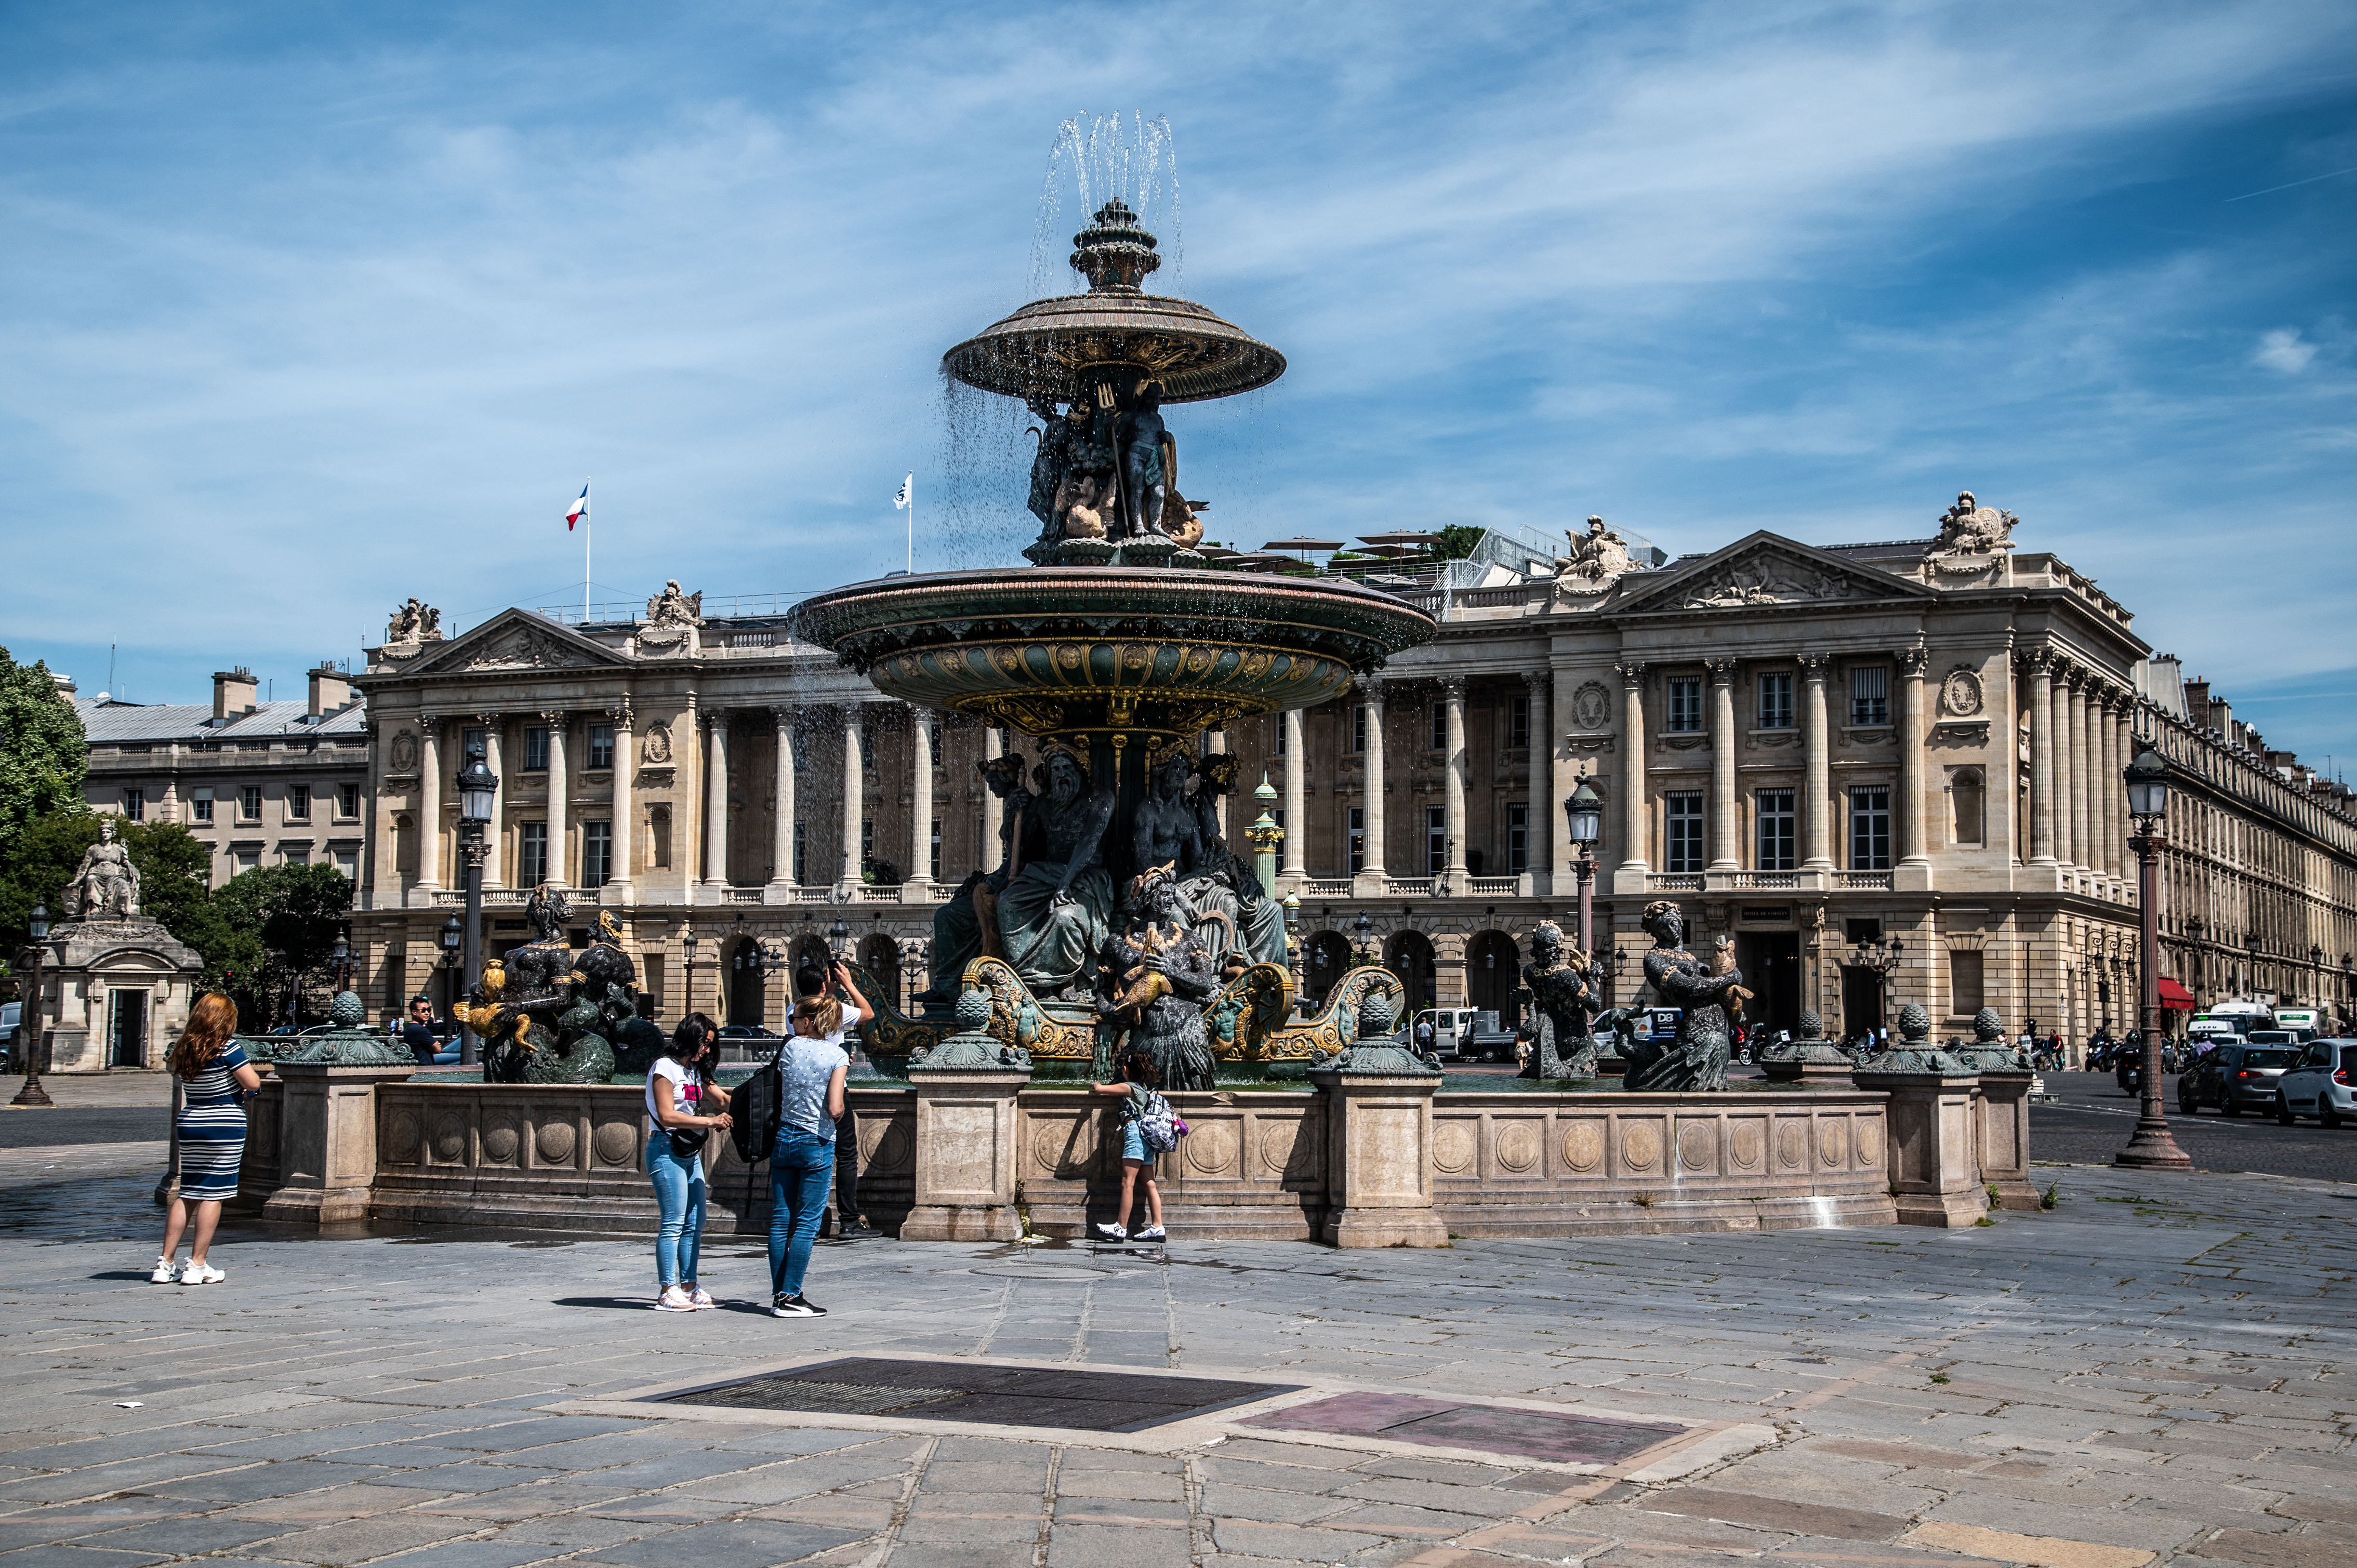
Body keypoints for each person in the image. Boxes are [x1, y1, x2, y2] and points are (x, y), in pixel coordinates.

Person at [769, 962, 871, 1317]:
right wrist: (835, 1116)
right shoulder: (837, 1055)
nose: (793, 1021)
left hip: (784, 1137)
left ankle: (779, 1294)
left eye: (797, 1018)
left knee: (781, 1219)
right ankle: (791, 1297)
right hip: (816, 1140)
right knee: (808, 1222)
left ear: (808, 1021)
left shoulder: (790, 1048)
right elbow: (836, 1106)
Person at [154, 994, 260, 1285]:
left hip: (191, 1121)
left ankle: (165, 1264)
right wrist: (250, 1090)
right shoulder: (228, 1047)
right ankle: (197, 1265)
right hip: (223, 1122)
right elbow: (252, 1082)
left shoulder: (184, 1048)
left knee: (187, 1192)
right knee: (214, 1194)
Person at [644, 1013, 731, 1311]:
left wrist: (758, 1105)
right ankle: (667, 1291)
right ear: (690, 1036)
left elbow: (722, 1100)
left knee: (695, 1221)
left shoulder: (695, 1070)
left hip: (689, 1152)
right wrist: (710, 1121)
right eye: (704, 1042)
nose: (707, 1049)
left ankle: (689, 1287)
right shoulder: (664, 1067)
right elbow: (667, 1115)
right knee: (674, 1222)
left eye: (710, 1044)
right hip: (665, 1148)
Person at [1088, 1049, 1167, 1243]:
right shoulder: (1144, 1089)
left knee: (1127, 1182)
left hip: (1135, 1136)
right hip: (1147, 1140)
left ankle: (1120, 1227)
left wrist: (1095, 1085)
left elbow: (1101, 1090)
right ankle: (1157, 1227)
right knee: (1149, 1183)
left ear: (1125, 1069)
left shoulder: (1129, 1087)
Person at [398, 995, 441, 1066]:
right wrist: (433, 1046)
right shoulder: (421, 1030)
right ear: (414, 1012)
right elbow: (438, 1049)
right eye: (423, 1011)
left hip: (415, 1065)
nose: (427, 1013)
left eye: (429, 1010)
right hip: (424, 1067)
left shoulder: (409, 1028)